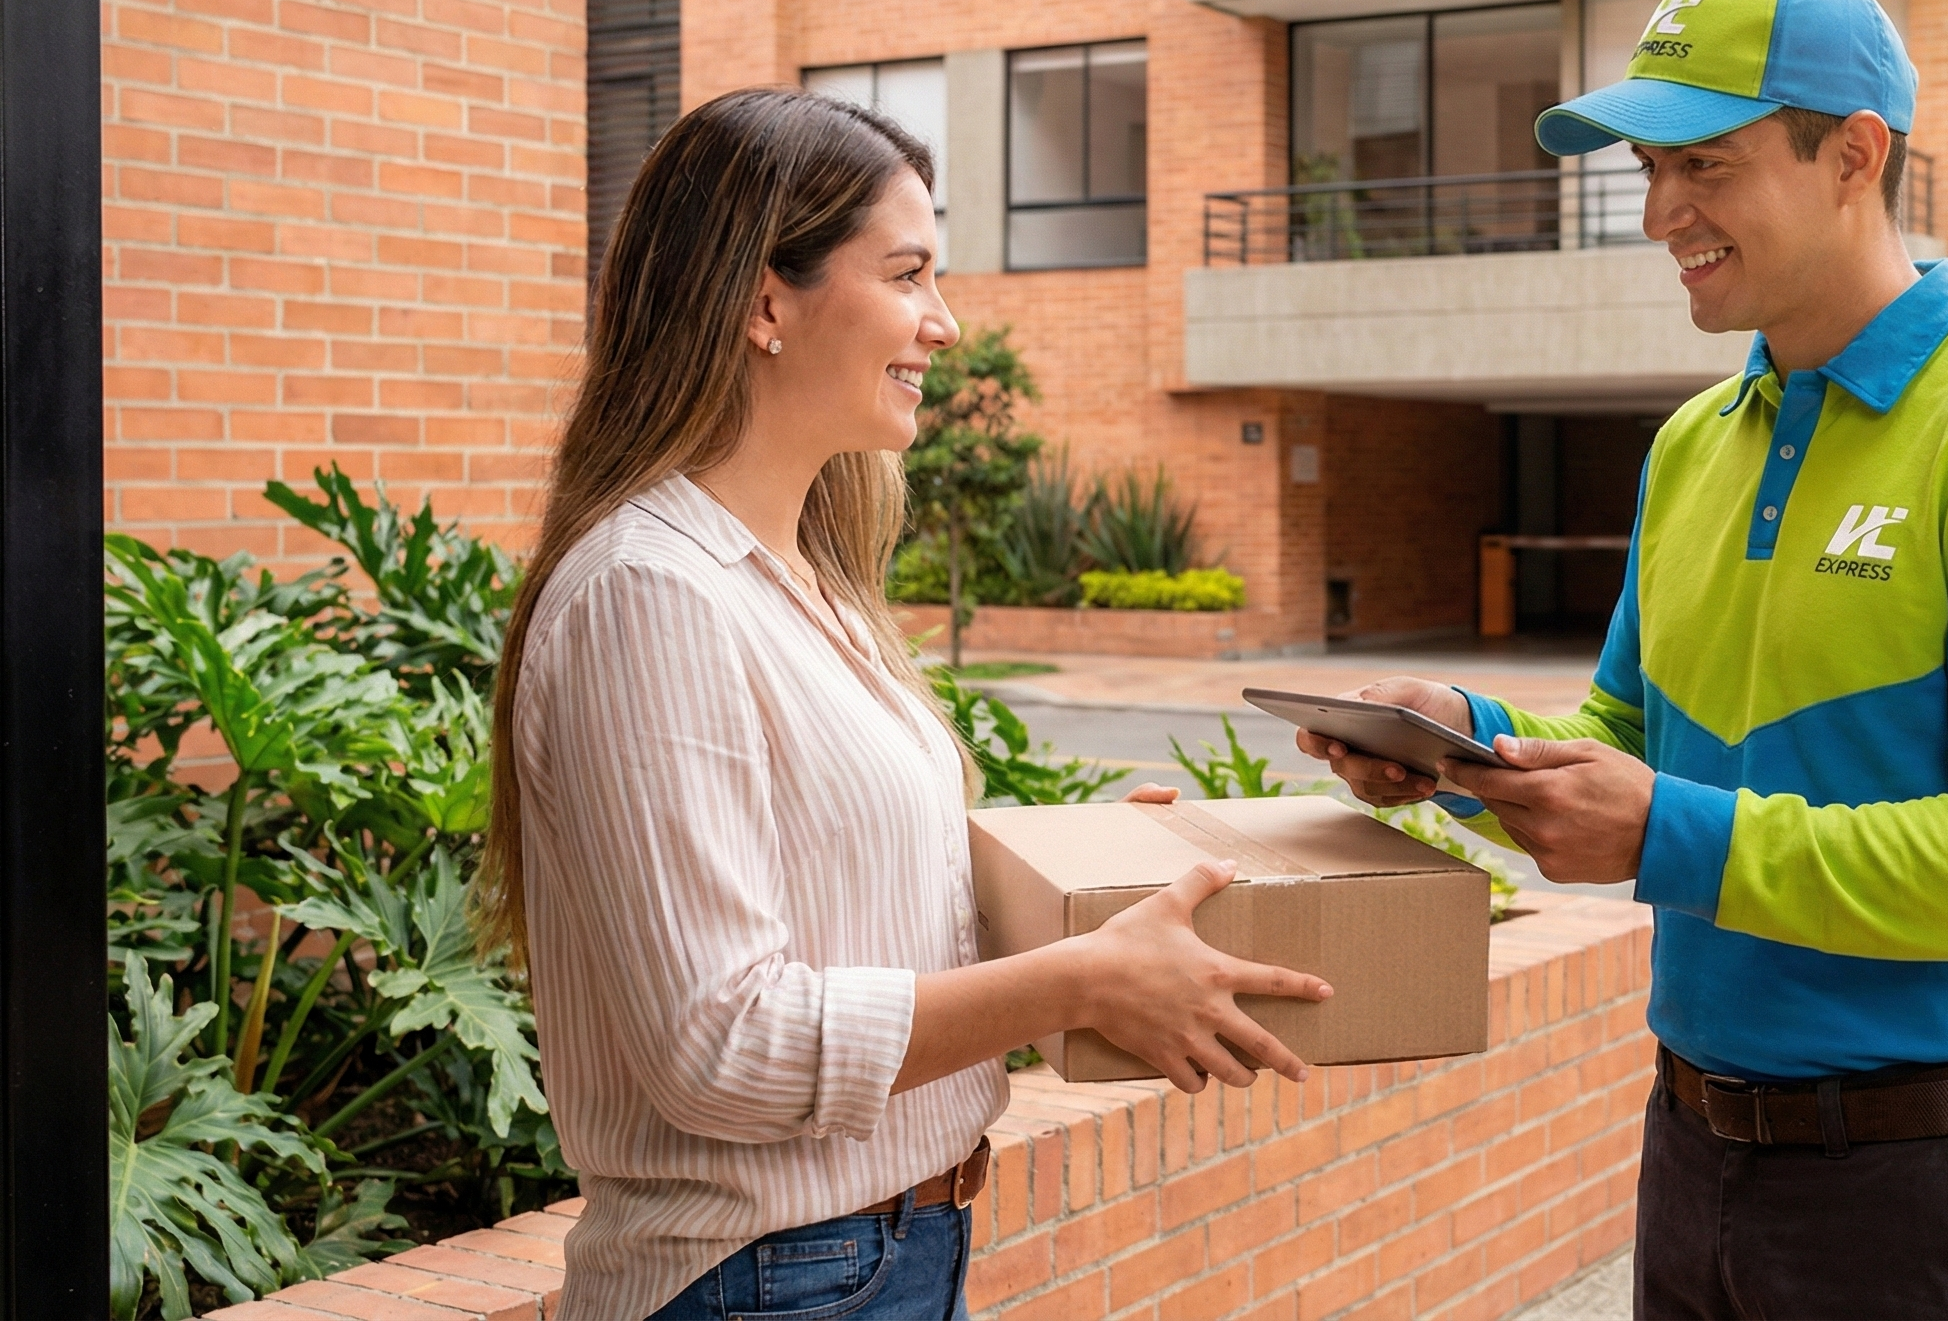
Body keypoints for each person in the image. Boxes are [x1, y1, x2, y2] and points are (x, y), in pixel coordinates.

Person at [1297, 0, 1948, 1320]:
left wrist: (1670, 834)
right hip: (1693, 1157)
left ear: (1854, 156)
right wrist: (1465, 743)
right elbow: (1631, 747)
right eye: (1650, 168)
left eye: (1706, 164)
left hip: (1935, 1193)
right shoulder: (1694, 446)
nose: (1660, 211)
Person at [477, 87, 1333, 1321]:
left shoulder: (802, 584)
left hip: (874, 1259)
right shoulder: (650, 597)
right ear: (765, 300)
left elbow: (848, 916)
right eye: (909, 274)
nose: (943, 324)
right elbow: (721, 1049)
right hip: (765, 1282)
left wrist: (1080, 889)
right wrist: (1076, 985)